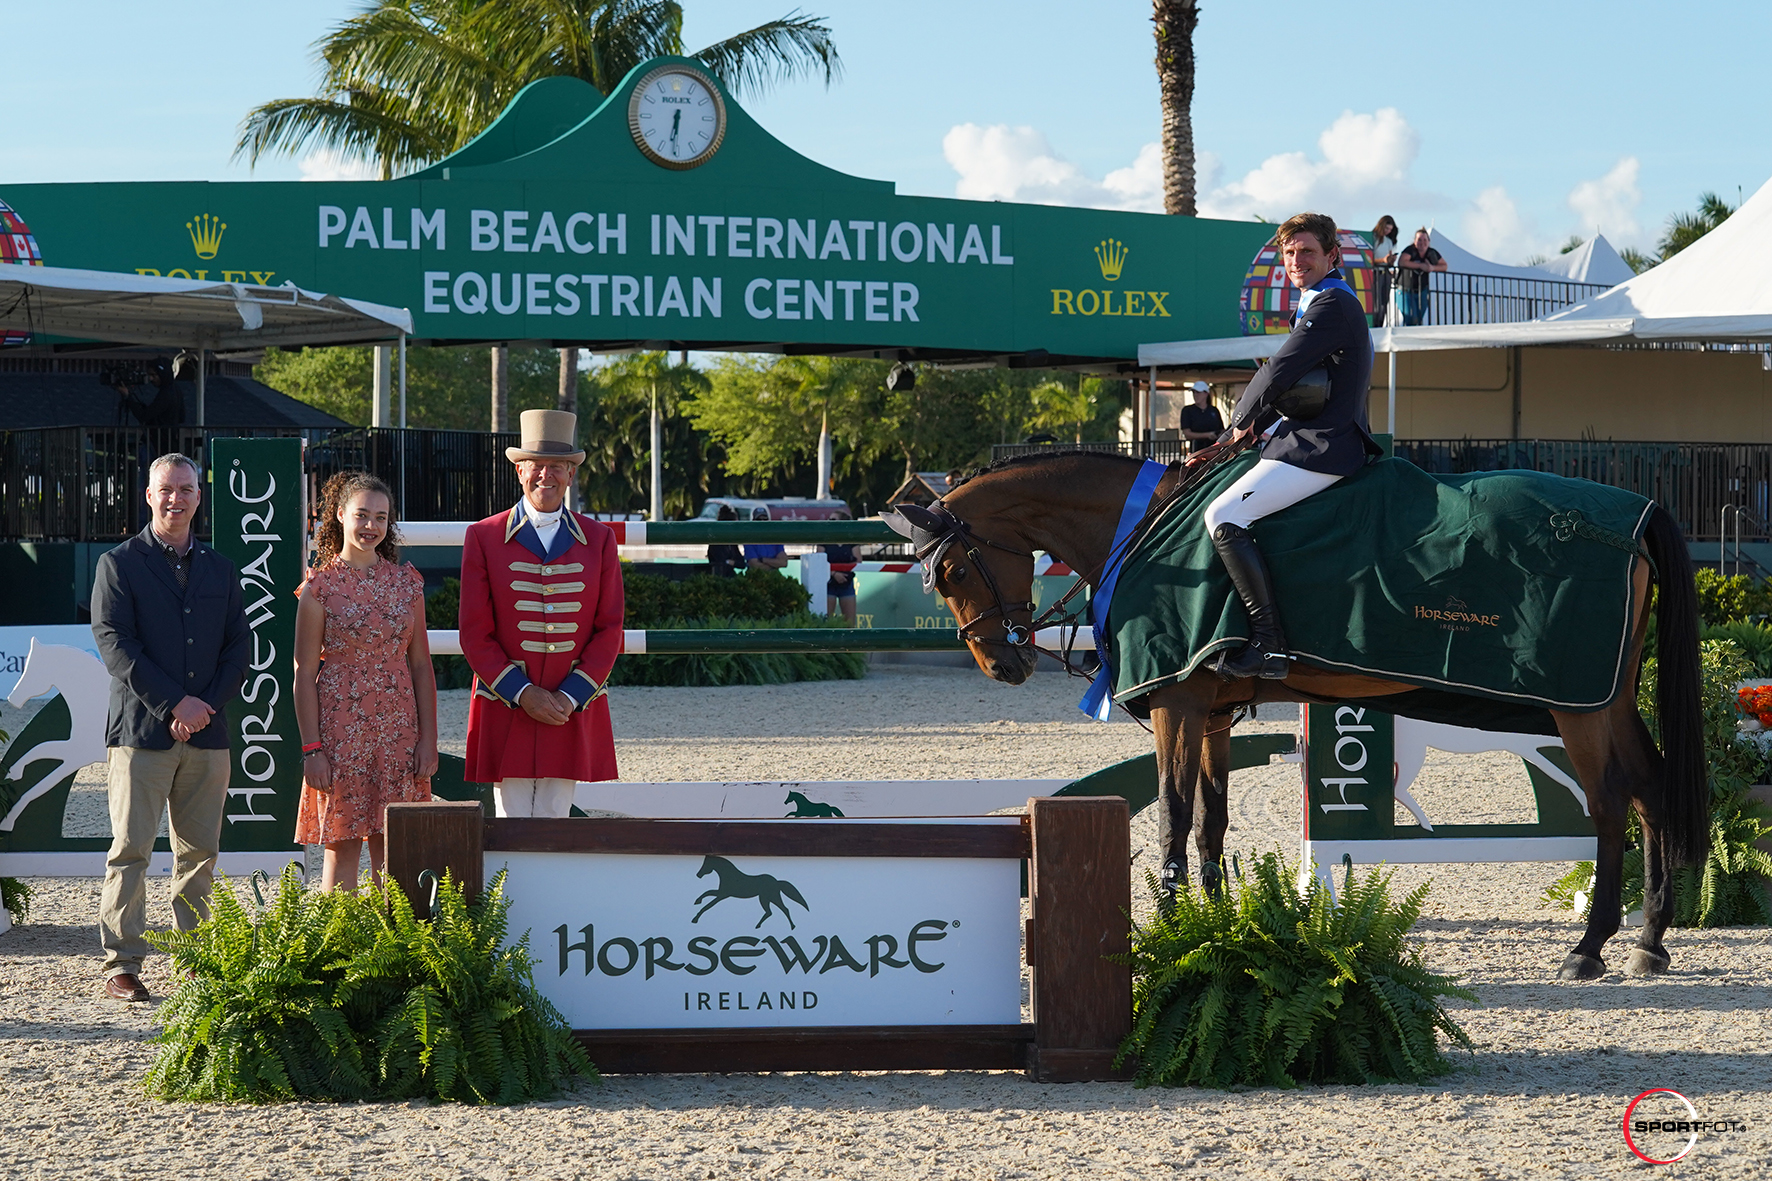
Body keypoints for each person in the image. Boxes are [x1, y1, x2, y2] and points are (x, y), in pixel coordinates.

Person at [89, 453, 248, 1002]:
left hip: (207, 734)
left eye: (185, 489)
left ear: (198, 497)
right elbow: (116, 647)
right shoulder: (118, 564)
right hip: (141, 733)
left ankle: (197, 957)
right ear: (148, 495)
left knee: (199, 853)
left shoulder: (221, 569)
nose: (175, 498)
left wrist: (202, 707)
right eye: (165, 489)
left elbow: (238, 650)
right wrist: (175, 703)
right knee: (131, 849)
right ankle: (121, 964)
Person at [1200, 211, 1380, 680]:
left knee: (1222, 515)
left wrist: (1235, 428)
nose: (1297, 260)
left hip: (1324, 446)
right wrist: (1249, 428)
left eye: (1307, 252)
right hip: (1305, 435)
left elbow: (1276, 371)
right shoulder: (1318, 300)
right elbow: (1298, 385)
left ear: (1331, 256)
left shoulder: (1331, 305)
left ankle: (1269, 645)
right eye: (1290, 253)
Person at [459, 409, 623, 818]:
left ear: (571, 474)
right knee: (509, 821)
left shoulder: (599, 540)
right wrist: (521, 692)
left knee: (556, 821)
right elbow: (475, 632)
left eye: (557, 467)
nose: (545, 476)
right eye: (535, 466)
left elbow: (609, 628)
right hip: (507, 699)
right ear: (519, 471)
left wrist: (570, 696)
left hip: (569, 704)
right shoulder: (484, 536)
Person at [293, 472, 437, 891]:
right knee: (342, 847)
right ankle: (340, 950)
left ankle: (391, 950)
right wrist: (312, 748)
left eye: (380, 517)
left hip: (399, 730)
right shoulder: (318, 588)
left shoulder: (407, 583)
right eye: (361, 515)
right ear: (339, 515)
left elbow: (422, 666)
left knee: (394, 846)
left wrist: (428, 739)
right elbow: (303, 672)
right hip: (340, 732)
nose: (371, 526)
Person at [1396, 226, 1447, 327]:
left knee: (1419, 318)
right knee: (1411, 317)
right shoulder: (1410, 250)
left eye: (1424, 240)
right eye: (1419, 240)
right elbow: (1402, 262)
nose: (1422, 243)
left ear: (1428, 241)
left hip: (1421, 290)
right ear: (1414, 241)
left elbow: (1444, 266)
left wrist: (1432, 268)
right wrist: (1420, 266)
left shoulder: (1432, 253)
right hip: (1405, 290)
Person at [1368, 215, 1400, 328]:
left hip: (1385, 272)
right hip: (1375, 273)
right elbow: (1368, 259)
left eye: (1390, 230)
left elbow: (1388, 257)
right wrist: (1382, 260)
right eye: (1386, 229)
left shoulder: (1388, 241)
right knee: (1376, 302)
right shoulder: (1373, 238)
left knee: (1384, 303)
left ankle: (1380, 324)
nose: (1388, 232)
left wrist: (1391, 260)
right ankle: (1374, 324)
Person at [1178, 383, 1225, 454]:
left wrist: (1219, 435)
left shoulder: (1214, 410)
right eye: (1194, 392)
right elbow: (1187, 433)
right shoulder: (1187, 410)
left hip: (1214, 450)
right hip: (1196, 450)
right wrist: (1208, 435)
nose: (1195, 395)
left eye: (1198, 392)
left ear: (1206, 394)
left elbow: (1222, 429)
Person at [819, 541, 859, 623]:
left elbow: (858, 560)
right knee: (826, 622)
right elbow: (819, 561)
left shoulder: (852, 539)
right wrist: (834, 573)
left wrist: (843, 573)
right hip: (828, 584)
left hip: (846, 582)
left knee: (850, 624)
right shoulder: (824, 539)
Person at [743, 507, 788, 572]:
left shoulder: (775, 538)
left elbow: (783, 562)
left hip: (774, 577)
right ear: (753, 521)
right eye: (759, 519)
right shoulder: (749, 539)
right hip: (756, 576)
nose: (762, 522)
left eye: (765, 519)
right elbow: (754, 564)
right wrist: (774, 565)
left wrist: (763, 560)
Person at [706, 502, 744, 577]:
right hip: (720, 577)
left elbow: (742, 563)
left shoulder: (732, 543)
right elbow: (720, 562)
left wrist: (731, 562)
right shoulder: (716, 543)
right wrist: (730, 562)